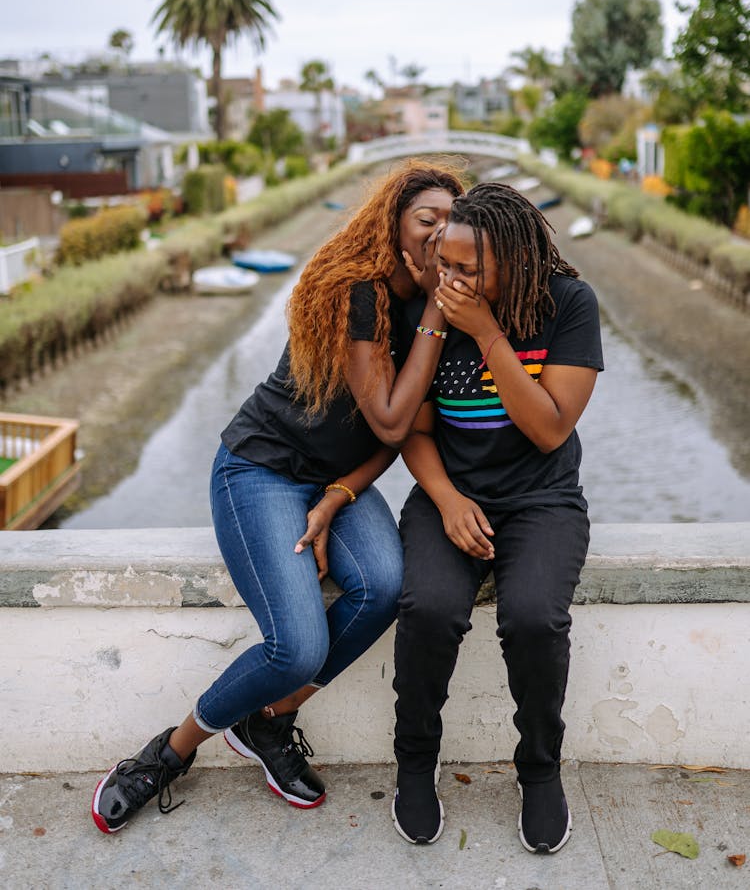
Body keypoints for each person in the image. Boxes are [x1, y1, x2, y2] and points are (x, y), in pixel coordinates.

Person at [92, 160, 465, 834]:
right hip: (259, 469)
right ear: (397, 226)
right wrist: (439, 309)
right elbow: (386, 415)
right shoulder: (365, 291)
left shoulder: (448, 311)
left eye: (451, 220)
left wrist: (339, 495)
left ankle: (270, 720)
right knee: (294, 644)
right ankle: (167, 754)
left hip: (332, 481)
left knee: (384, 585)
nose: (440, 232)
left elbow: (403, 432)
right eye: (426, 218)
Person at [390, 181, 603, 854]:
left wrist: (485, 332)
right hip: (450, 493)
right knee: (428, 608)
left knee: (535, 617)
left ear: (513, 260)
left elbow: (547, 428)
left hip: (543, 500)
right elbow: (414, 429)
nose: (448, 279)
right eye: (443, 264)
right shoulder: (430, 317)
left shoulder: (569, 305)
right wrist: (449, 500)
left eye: (466, 269)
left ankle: (539, 769)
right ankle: (416, 762)